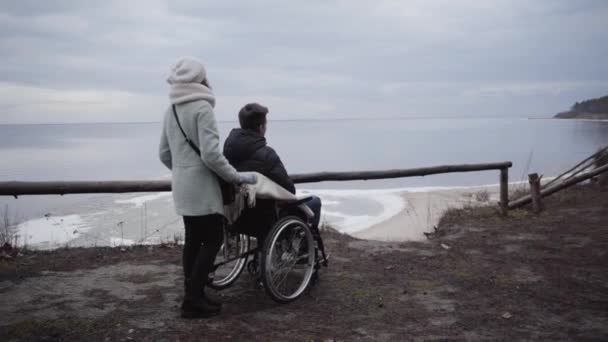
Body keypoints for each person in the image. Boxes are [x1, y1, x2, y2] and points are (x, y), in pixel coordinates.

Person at [159, 57, 256, 319]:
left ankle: (195, 293)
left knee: (193, 240)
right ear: (201, 79)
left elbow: (164, 154)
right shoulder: (202, 108)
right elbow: (212, 155)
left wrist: (183, 171)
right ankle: (192, 300)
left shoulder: (172, 110)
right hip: (202, 188)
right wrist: (235, 177)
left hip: (182, 185)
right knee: (213, 238)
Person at [223, 103, 322, 240]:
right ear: (261, 127)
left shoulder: (226, 152)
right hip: (264, 219)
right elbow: (289, 190)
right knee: (315, 202)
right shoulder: (267, 155)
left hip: (237, 217)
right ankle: (302, 251)